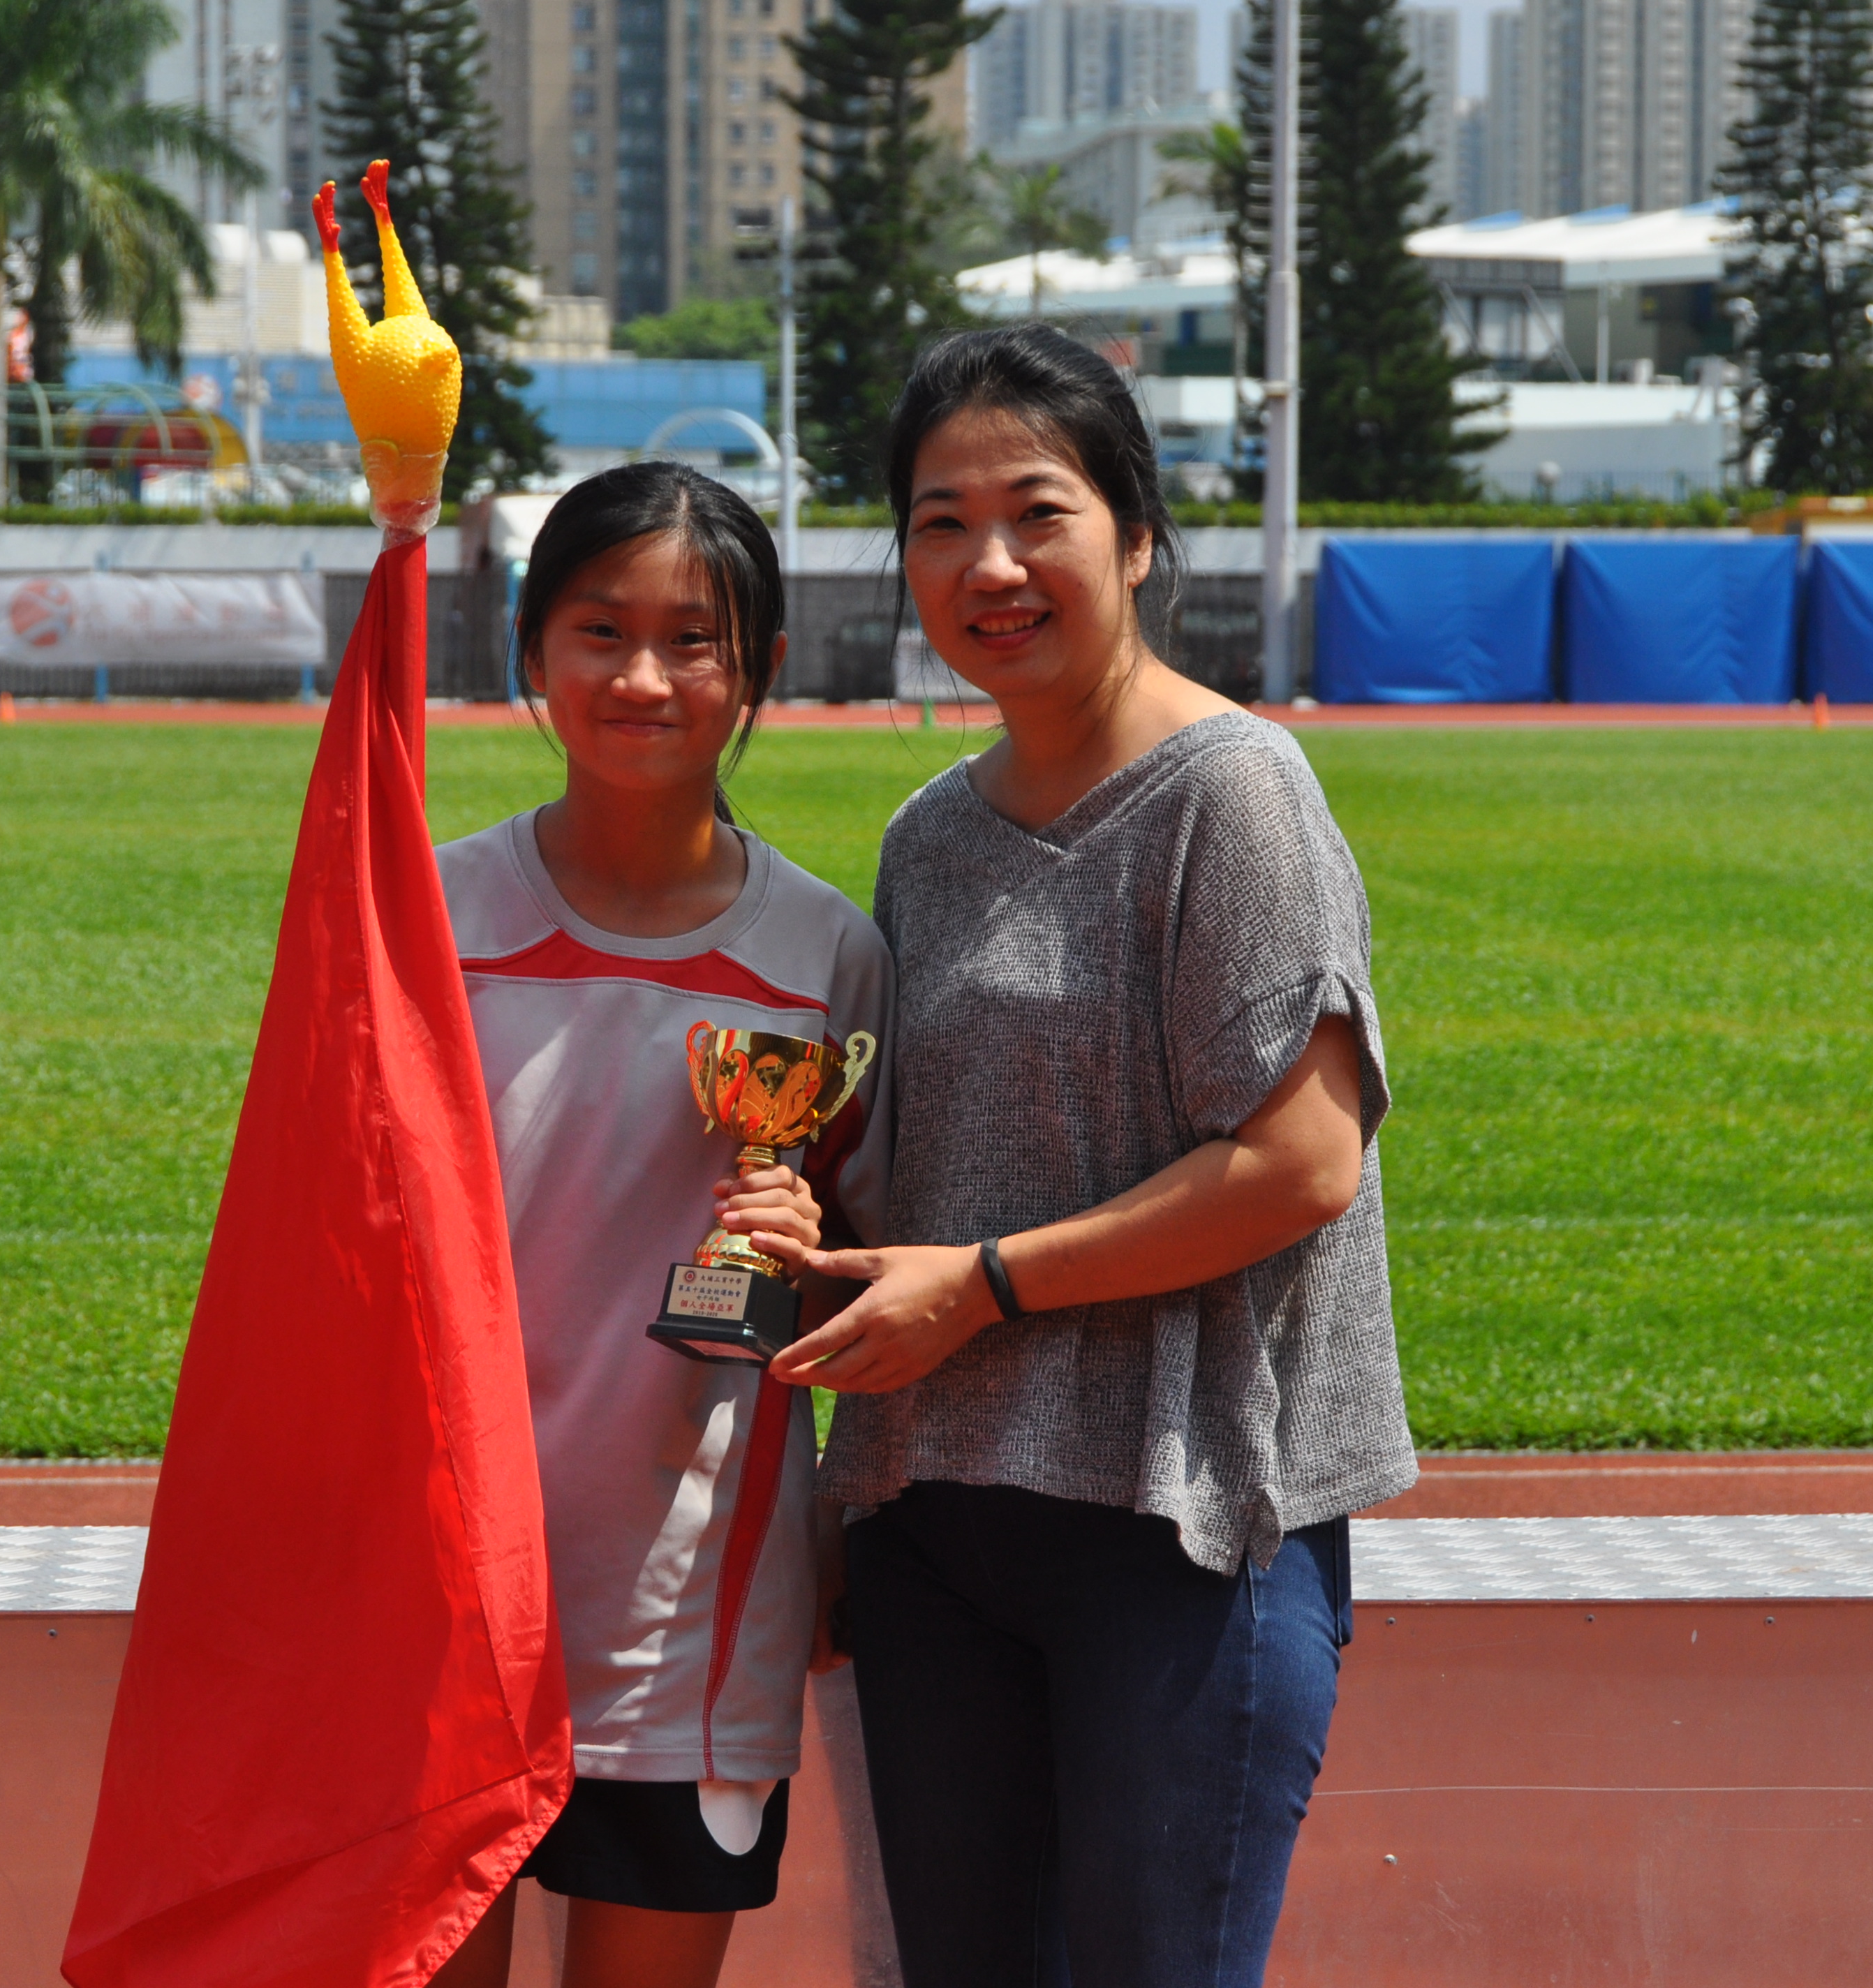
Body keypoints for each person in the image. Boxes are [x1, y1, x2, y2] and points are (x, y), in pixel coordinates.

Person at [760, 325, 1415, 1988]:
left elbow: (1298, 1164)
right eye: (938, 522)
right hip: (935, 1527)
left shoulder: (1232, 795)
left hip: (1175, 1522)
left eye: (1034, 511)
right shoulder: (927, 835)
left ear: (1132, 533)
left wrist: (979, 1287)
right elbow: (925, 1180)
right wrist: (801, 1226)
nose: (987, 565)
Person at [431, 461, 891, 1988]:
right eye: (600, 630)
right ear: (528, 648)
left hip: (685, 1625)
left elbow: (874, 1293)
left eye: (694, 639)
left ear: (760, 668)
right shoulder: (428, 917)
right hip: (439, 1605)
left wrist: (800, 1249)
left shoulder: (825, 954)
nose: (643, 677)